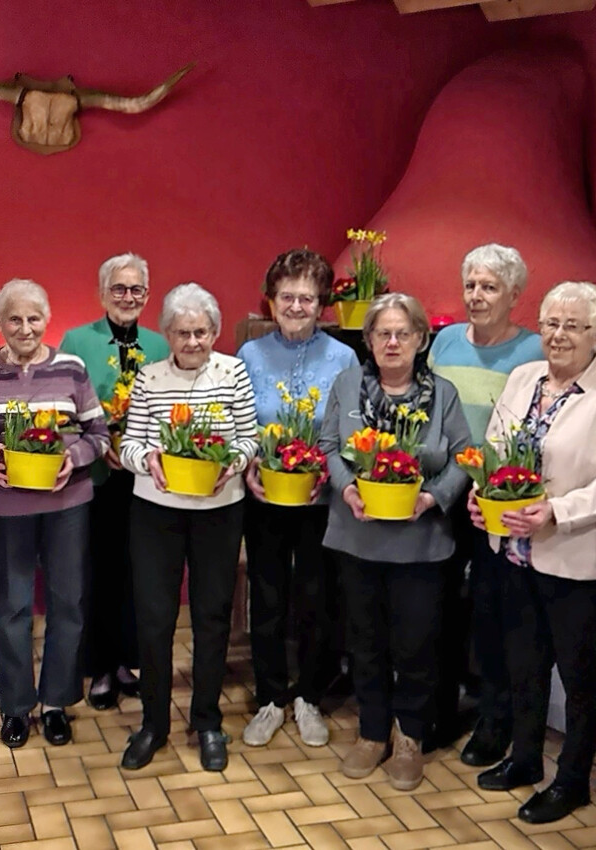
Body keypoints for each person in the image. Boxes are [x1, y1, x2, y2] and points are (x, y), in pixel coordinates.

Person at [471, 281, 596, 824]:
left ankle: (573, 781)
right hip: (513, 553)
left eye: (573, 325)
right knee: (523, 665)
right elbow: (495, 451)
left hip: (574, 555)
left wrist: (556, 511)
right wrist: (482, 496)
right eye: (550, 323)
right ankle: (524, 760)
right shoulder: (523, 379)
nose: (558, 335)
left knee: (579, 675)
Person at [319, 292, 471, 791]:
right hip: (357, 536)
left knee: (417, 644)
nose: (392, 342)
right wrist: (345, 487)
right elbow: (328, 446)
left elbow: (464, 457)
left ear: (421, 340)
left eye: (403, 333)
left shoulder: (442, 394)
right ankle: (370, 734)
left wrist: (431, 499)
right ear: (367, 341)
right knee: (364, 642)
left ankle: (409, 738)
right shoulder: (347, 385)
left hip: (421, 543)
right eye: (382, 333)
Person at [118, 283, 258, 772]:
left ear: (215, 332)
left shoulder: (234, 371)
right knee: (155, 617)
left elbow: (247, 438)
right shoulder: (149, 378)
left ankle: (207, 720)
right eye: (182, 332)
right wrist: (149, 459)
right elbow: (131, 443)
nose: (193, 341)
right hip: (156, 510)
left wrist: (232, 463)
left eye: (201, 332)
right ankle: (153, 723)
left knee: (212, 615)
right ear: (168, 334)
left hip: (220, 508)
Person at [0, 279, 110, 748]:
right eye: (14, 318)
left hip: (67, 505)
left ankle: (55, 703)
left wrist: (76, 458)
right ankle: (15, 706)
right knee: (12, 606)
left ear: (47, 320)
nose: (25, 328)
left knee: (68, 602)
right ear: (0, 323)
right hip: (6, 507)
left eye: (33, 318)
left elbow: (99, 434)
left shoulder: (71, 368)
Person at [236, 249, 356, 748]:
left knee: (315, 599)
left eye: (307, 297)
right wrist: (247, 471)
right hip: (264, 496)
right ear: (271, 300)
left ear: (321, 303)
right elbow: (240, 425)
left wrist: (330, 474)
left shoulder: (344, 358)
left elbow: (349, 430)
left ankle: (308, 695)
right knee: (265, 598)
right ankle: (268, 697)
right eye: (287, 296)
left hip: (319, 500)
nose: (296, 305)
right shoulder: (249, 355)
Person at [427, 243, 542, 761]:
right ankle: (440, 711)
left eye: (490, 286)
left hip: (495, 500)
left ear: (514, 294)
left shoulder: (536, 351)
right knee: (438, 608)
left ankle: (496, 721)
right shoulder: (446, 341)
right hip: (441, 493)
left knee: (494, 613)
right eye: (471, 285)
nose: (477, 295)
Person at [59, 253, 169, 711]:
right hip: (97, 478)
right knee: (97, 573)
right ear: (104, 294)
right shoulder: (77, 340)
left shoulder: (161, 345)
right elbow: (62, 408)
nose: (128, 297)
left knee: (137, 574)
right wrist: (95, 442)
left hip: (147, 479)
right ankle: (100, 667)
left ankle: (127, 662)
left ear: (146, 294)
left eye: (137, 289)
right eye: (119, 289)